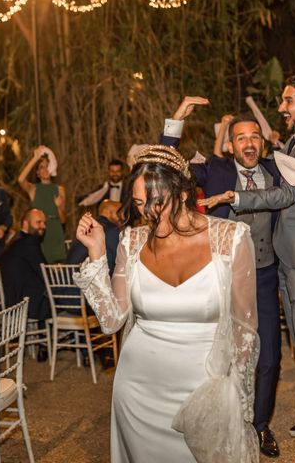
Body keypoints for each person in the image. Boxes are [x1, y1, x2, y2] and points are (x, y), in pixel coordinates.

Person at [73, 144, 259, 462]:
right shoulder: (131, 242)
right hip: (138, 392)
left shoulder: (231, 238)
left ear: (183, 193)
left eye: (158, 201)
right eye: (142, 203)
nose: (149, 212)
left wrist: (239, 400)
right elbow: (112, 320)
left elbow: (245, 329)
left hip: (204, 391)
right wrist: (97, 252)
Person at [198, 77, 295, 460]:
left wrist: (235, 198)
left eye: (288, 100)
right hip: (276, 264)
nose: (282, 107)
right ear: (231, 143)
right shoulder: (289, 145)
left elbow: (289, 193)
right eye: (241, 137)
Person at [163, 100, 283, 457]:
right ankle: (213, 419)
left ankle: (259, 426)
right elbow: (167, 171)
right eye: (240, 137)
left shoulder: (278, 171)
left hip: (264, 276)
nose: (248, 143)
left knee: (269, 357)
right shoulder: (212, 169)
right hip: (217, 276)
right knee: (216, 353)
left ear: (262, 143)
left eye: (255, 137)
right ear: (230, 145)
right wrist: (176, 122)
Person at [0, 208, 51, 361]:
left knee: (44, 290)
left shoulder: (15, 240)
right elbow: (44, 272)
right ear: (25, 223)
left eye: (44, 223)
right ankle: (45, 345)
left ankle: (44, 343)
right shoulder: (29, 242)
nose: (42, 226)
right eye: (38, 222)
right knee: (54, 295)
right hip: (22, 303)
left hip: (11, 297)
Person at [18, 147, 66, 263]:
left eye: (48, 166)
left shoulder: (59, 189)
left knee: (57, 271)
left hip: (55, 231)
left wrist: (59, 207)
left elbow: (63, 220)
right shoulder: (33, 189)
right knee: (41, 268)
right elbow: (20, 179)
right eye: (41, 167)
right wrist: (35, 158)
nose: (45, 169)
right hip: (39, 232)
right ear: (37, 173)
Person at [67, 199, 122, 276]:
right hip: (87, 281)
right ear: (106, 211)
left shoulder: (85, 226)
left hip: (67, 278)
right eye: (119, 213)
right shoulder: (112, 230)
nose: (122, 216)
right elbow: (113, 262)